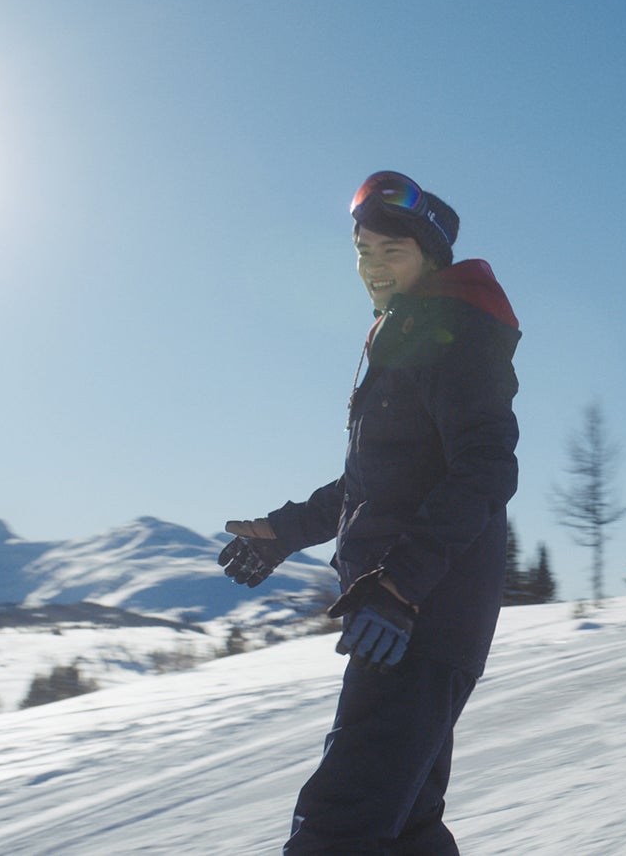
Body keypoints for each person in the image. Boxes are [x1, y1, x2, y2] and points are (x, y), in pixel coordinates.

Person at [217, 170, 521, 854]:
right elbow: (375, 481)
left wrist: (398, 587)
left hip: (417, 620)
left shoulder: (453, 335)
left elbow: (487, 465)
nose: (372, 268)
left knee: (338, 828)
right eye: (363, 251)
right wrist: (282, 533)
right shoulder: (407, 337)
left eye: (392, 252)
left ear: (431, 257)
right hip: (408, 620)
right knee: (404, 827)